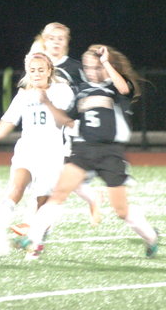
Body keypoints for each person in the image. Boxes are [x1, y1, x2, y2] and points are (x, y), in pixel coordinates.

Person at [14, 44, 159, 260]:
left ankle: (151, 237)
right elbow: (65, 119)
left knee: (121, 210)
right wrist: (48, 103)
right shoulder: (81, 91)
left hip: (110, 153)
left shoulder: (114, 88)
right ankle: (33, 237)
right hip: (83, 150)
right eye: (88, 67)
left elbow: (125, 89)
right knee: (58, 194)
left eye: (96, 67)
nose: (92, 72)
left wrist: (106, 62)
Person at [0, 52, 74, 259]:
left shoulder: (62, 91)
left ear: (49, 71)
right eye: (32, 70)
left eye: (41, 70)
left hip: (50, 155)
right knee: (15, 190)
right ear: (27, 72)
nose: (36, 74)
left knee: (42, 203)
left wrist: (46, 101)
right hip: (27, 150)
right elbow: (1, 130)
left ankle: (35, 244)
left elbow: (63, 120)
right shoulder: (23, 96)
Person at [10, 23, 103, 236]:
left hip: (67, 129)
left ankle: (34, 228)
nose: (56, 43)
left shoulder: (75, 68)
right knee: (55, 178)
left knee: (51, 181)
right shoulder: (37, 63)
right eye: (52, 38)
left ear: (67, 42)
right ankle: (90, 198)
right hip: (46, 132)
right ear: (44, 40)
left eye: (61, 39)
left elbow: (89, 93)